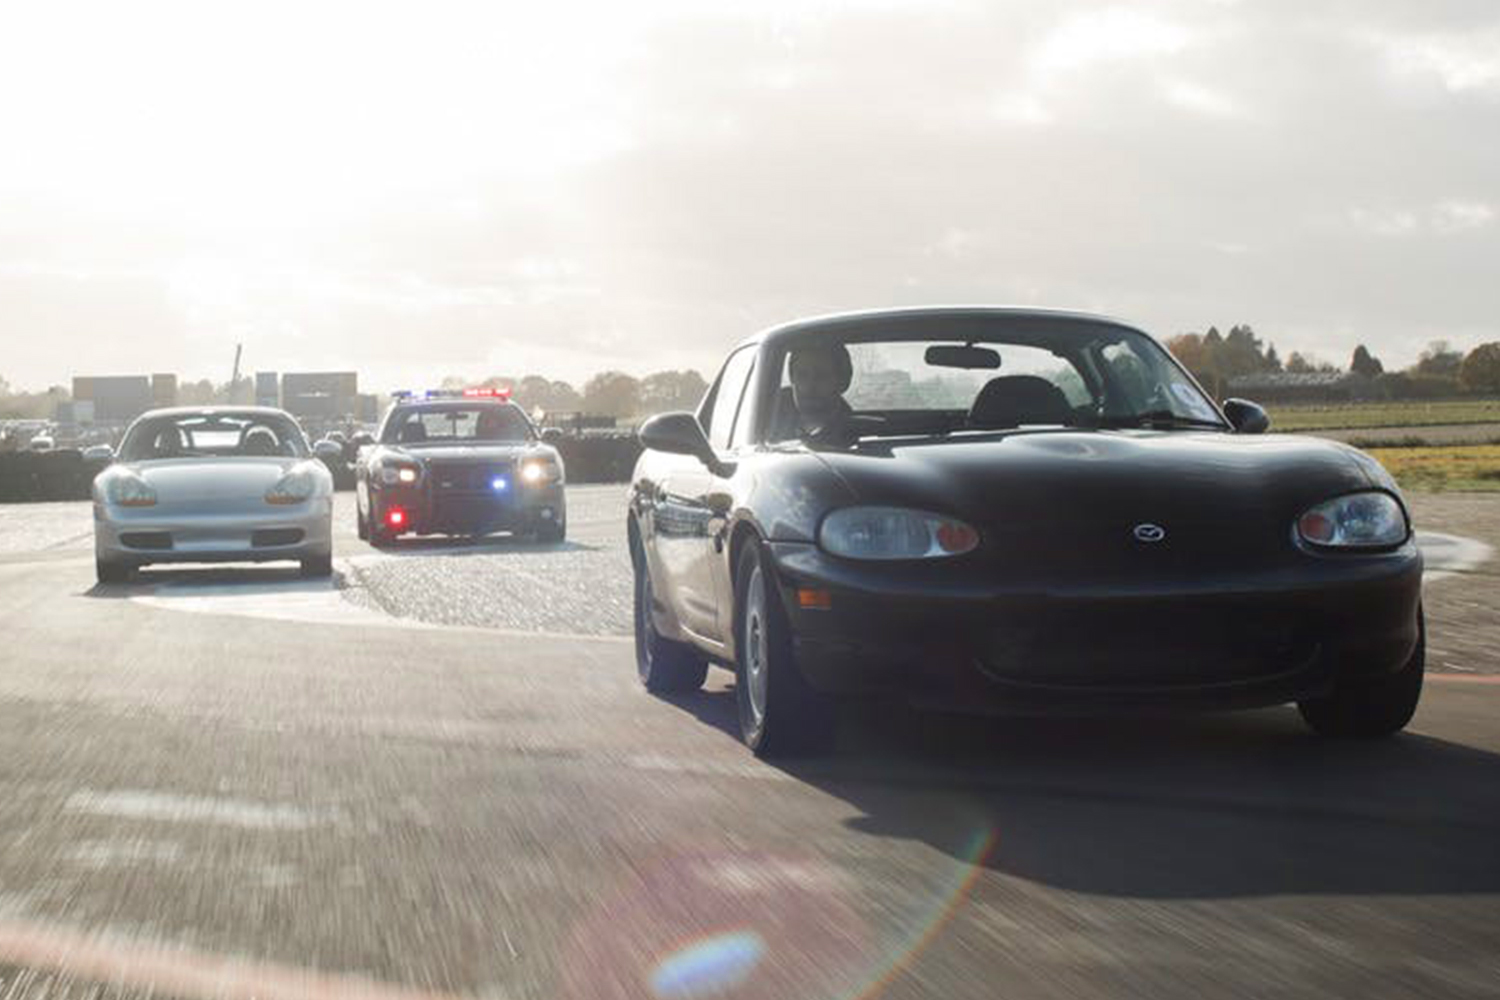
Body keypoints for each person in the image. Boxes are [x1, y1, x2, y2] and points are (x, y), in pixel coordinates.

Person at [773, 342, 855, 443]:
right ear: (792, 379)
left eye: (821, 376)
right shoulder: (767, 421)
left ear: (843, 381)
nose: (810, 385)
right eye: (802, 375)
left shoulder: (855, 435)